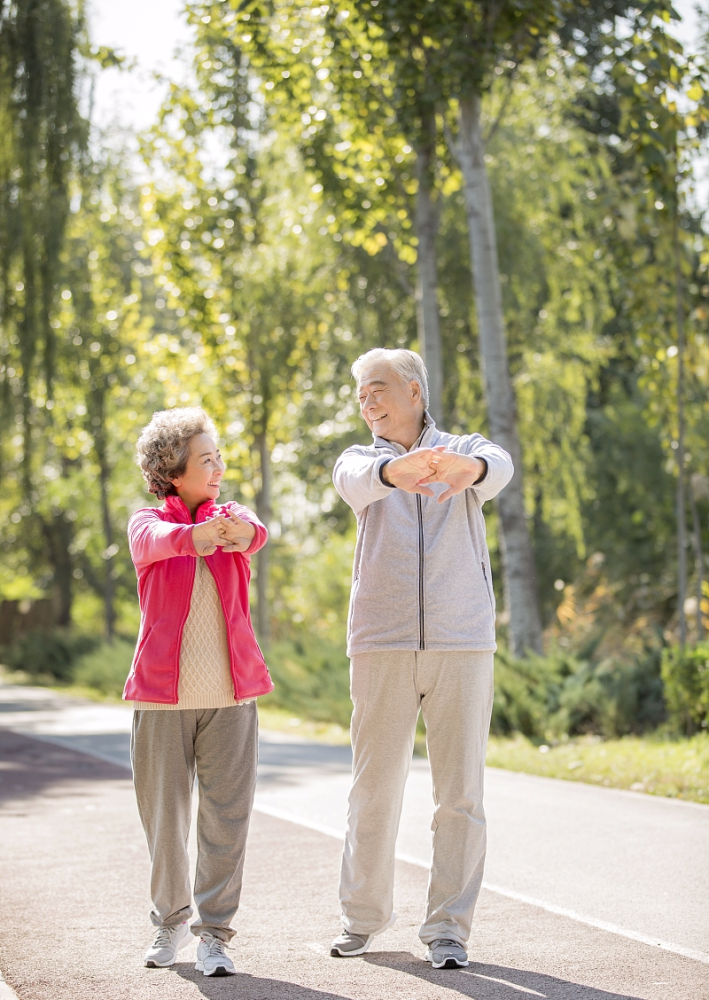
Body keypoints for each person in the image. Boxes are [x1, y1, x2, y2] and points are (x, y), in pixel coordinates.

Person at [329, 348, 514, 969]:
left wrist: (467, 468)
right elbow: (351, 482)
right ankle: (362, 918)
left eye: (377, 389)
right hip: (381, 640)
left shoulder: (461, 447)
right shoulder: (362, 459)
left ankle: (447, 929)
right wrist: (394, 474)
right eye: (360, 394)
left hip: (462, 639)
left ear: (413, 392)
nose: (367, 402)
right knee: (374, 787)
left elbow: (499, 466)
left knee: (460, 792)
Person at [123, 407, 273, 977]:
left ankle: (214, 933)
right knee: (164, 819)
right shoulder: (146, 522)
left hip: (232, 698)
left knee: (226, 819)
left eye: (219, 457)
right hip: (161, 700)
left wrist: (233, 532)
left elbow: (255, 533)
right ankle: (169, 920)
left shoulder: (231, 515)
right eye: (205, 459)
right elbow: (154, 542)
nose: (218, 467)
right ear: (174, 472)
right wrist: (195, 537)